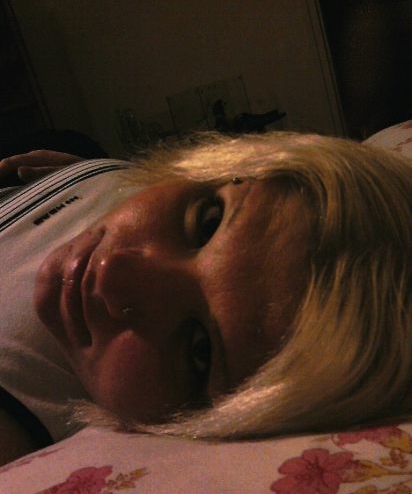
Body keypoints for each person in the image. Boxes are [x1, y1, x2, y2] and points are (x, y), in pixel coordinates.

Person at [1, 130, 412, 466]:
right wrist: (95, 174)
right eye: (209, 221)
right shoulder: (126, 186)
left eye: (199, 349)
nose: (112, 272)